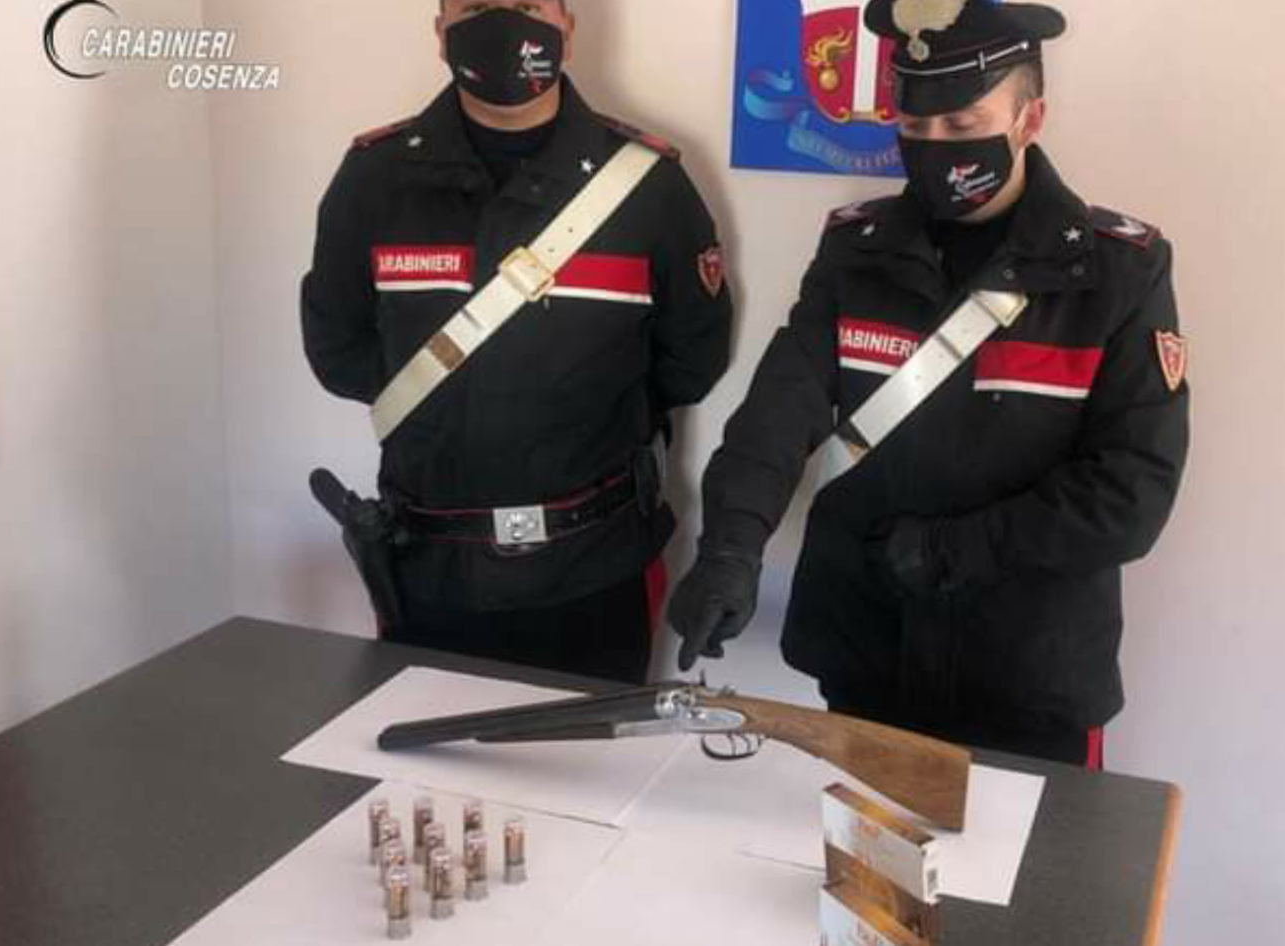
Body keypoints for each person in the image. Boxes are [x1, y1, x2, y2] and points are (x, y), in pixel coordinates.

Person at [666, 0, 1189, 767]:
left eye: (963, 122)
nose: (936, 145)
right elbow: (778, 414)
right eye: (916, 126)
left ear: (1030, 118)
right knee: (843, 845)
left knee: (1024, 853)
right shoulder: (856, 251)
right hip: (867, 655)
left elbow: (1132, 492)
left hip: (1027, 675)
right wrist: (730, 550)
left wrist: (949, 551)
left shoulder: (1117, 273)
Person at [302, 0, 733, 685]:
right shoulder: (375, 179)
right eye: (476, 6)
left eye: (528, 4)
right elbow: (338, 352)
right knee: (426, 754)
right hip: (430, 573)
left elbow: (691, 362)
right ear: (440, 33)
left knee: (591, 757)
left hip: (597, 571)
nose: (503, 20)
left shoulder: (649, 185)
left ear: (567, 27)